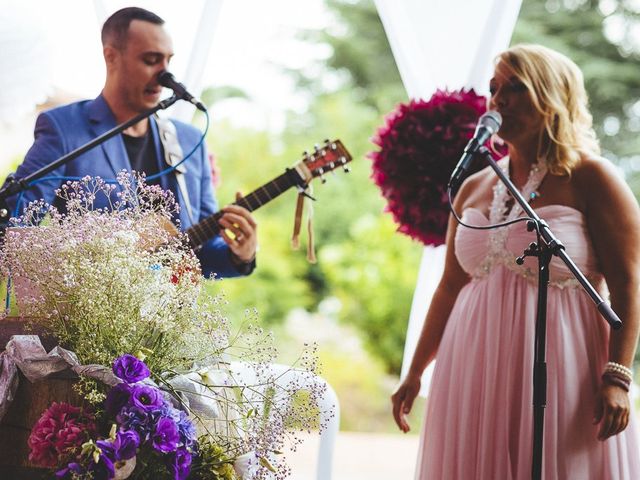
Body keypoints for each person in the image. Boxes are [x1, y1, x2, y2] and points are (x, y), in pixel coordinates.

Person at [392, 44, 640, 479]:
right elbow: (449, 286)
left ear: (551, 95)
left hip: (563, 361)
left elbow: (628, 282)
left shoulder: (591, 177)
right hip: (473, 362)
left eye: (515, 87)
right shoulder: (471, 187)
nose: (498, 99)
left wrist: (618, 375)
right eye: (494, 89)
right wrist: (414, 371)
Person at [4, 7, 257, 279]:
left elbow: (201, 253)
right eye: (151, 60)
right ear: (111, 57)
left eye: (168, 61)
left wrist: (241, 254)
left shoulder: (190, 141)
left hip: (174, 317)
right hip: (89, 314)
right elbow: (16, 225)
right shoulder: (65, 129)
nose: (165, 75)